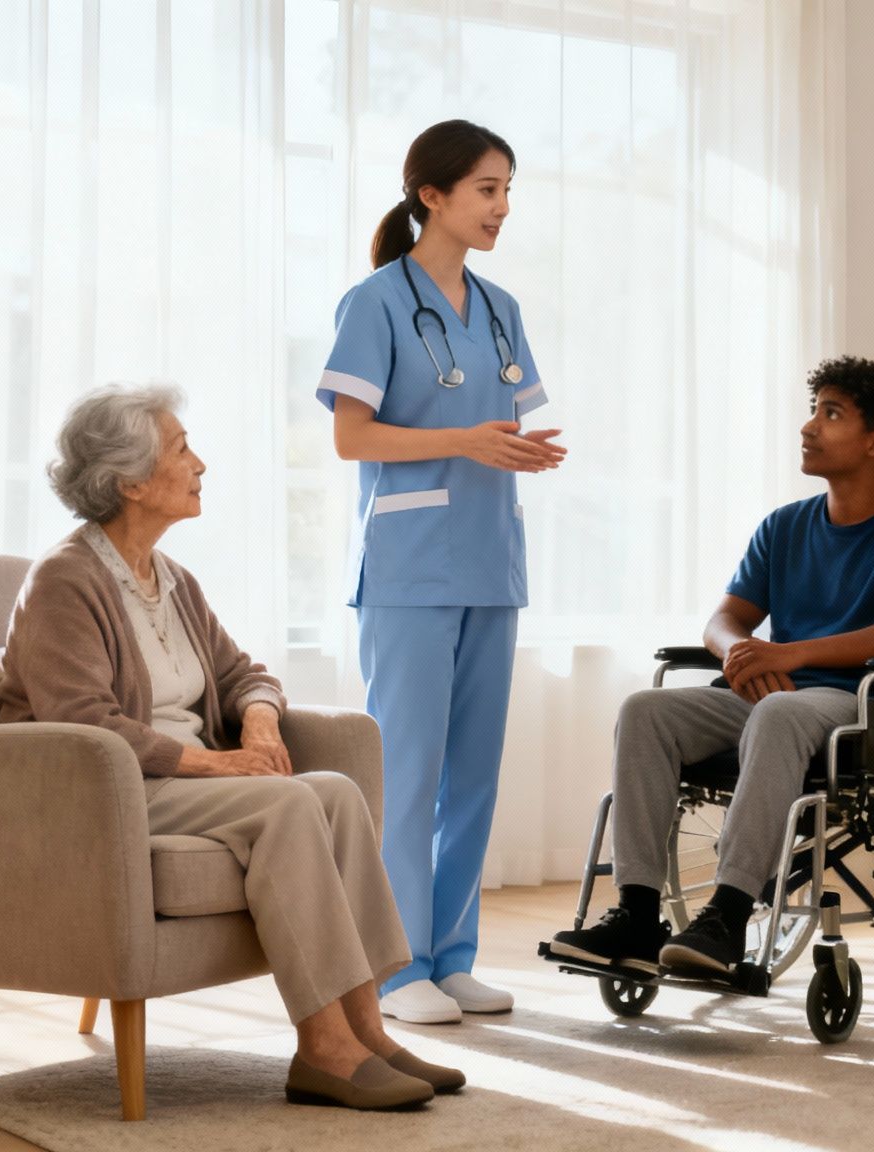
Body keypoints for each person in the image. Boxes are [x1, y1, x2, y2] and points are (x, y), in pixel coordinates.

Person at [0, 383, 462, 1111]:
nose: (201, 464)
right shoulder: (64, 581)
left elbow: (246, 674)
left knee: (335, 792)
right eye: (182, 450)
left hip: (183, 785)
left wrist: (260, 723)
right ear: (130, 482)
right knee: (286, 806)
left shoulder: (172, 580)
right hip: (106, 793)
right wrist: (219, 762)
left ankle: (368, 1030)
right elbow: (85, 723)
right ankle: (323, 1049)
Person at [547, 356, 874, 977]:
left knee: (779, 712)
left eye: (831, 414)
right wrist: (739, 653)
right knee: (645, 710)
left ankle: (729, 914)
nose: (808, 426)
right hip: (773, 696)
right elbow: (723, 619)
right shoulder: (784, 526)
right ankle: (636, 912)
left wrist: (791, 653)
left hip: (859, 705)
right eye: (813, 410)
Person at [315, 119, 564, 1026]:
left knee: (473, 776)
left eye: (508, 191)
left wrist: (517, 451)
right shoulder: (375, 302)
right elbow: (352, 438)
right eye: (487, 190)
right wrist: (464, 441)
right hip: (410, 567)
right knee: (409, 774)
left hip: (491, 560)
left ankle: (453, 959)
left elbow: (501, 424)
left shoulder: (501, 309)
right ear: (432, 195)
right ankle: (395, 969)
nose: (502, 208)